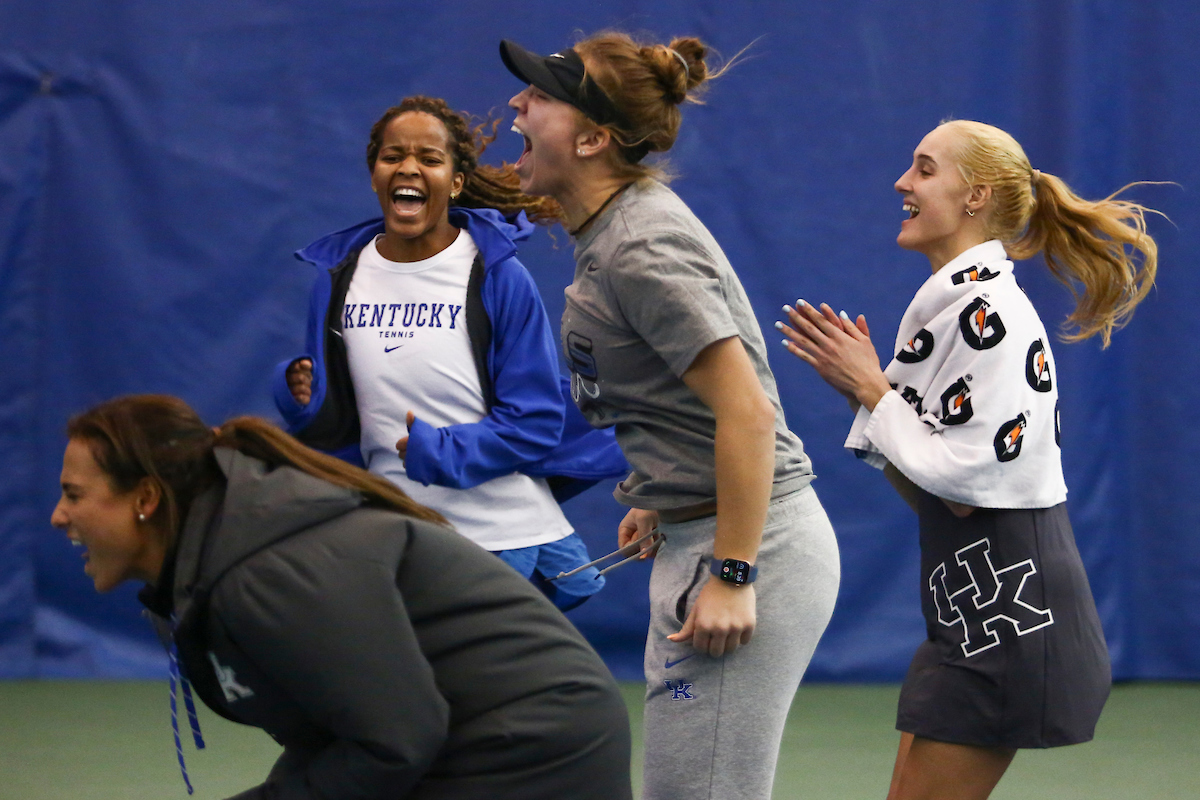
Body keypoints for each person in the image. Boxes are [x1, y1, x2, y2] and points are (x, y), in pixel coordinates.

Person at [500, 33, 841, 800]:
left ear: (592, 138)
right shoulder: (612, 232)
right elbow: (668, 391)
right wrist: (661, 491)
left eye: (542, 96)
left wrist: (733, 570)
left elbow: (749, 413)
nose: (517, 104)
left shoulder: (641, 243)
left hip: (753, 551)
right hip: (699, 536)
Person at [779, 119, 1160, 799]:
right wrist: (863, 396)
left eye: (924, 169)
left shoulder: (995, 316)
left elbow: (966, 486)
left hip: (1016, 619)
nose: (902, 181)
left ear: (975, 196)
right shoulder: (951, 311)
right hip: (967, 615)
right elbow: (931, 485)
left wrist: (873, 388)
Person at [50, 394, 633, 800]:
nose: (59, 517)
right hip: (469, 740)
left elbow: (394, 743)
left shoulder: (263, 573)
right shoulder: (219, 562)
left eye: (74, 494)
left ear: (145, 497)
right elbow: (339, 742)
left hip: (532, 751)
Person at [273, 96, 627, 610]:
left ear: (455, 182)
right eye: (392, 156)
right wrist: (300, 396)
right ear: (374, 174)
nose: (408, 168)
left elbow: (535, 422)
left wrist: (438, 451)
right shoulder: (336, 279)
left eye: (430, 159)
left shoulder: (496, 274)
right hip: (391, 532)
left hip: (499, 540)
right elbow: (340, 424)